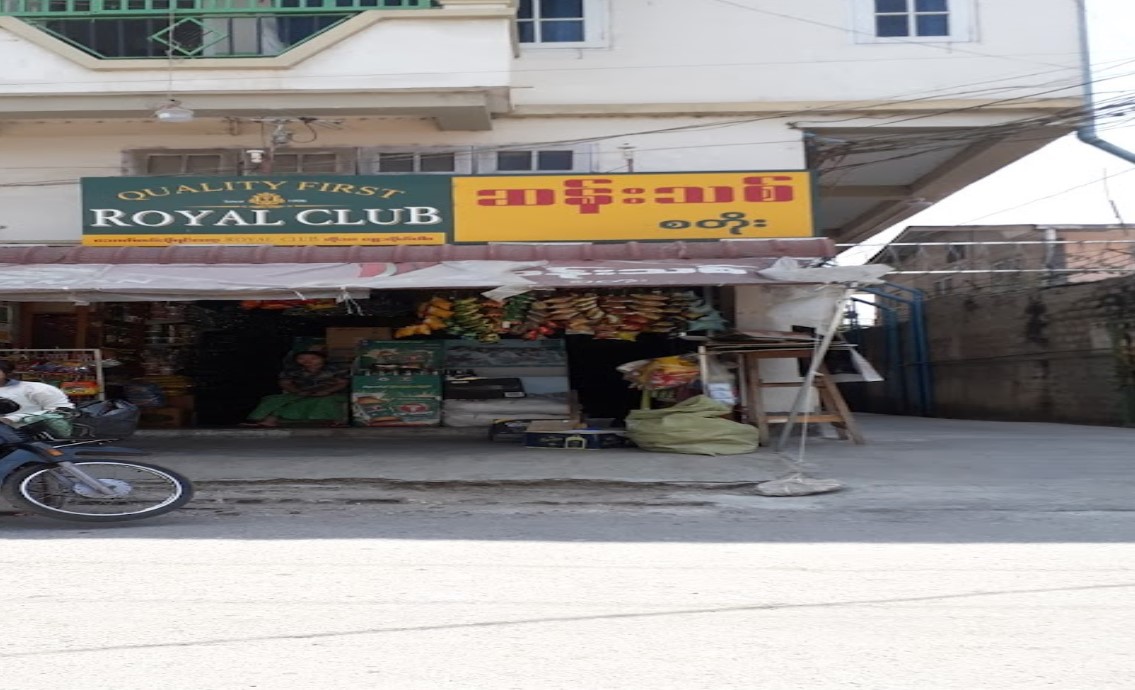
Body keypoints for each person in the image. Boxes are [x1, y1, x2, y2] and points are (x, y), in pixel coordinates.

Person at [243, 351, 349, 428]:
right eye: (302, 358)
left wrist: (326, 391)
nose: (307, 361)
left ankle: (333, 421)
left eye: (313, 358)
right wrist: (297, 391)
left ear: (322, 359)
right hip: (301, 393)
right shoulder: (292, 370)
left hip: (331, 394)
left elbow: (342, 383)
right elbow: (285, 383)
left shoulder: (336, 369)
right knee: (274, 399)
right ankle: (264, 419)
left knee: (320, 401)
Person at [0, 359, 76, 428]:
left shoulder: (37, 389)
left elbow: (63, 412)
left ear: (7, 372)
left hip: (30, 433)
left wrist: (13, 419)